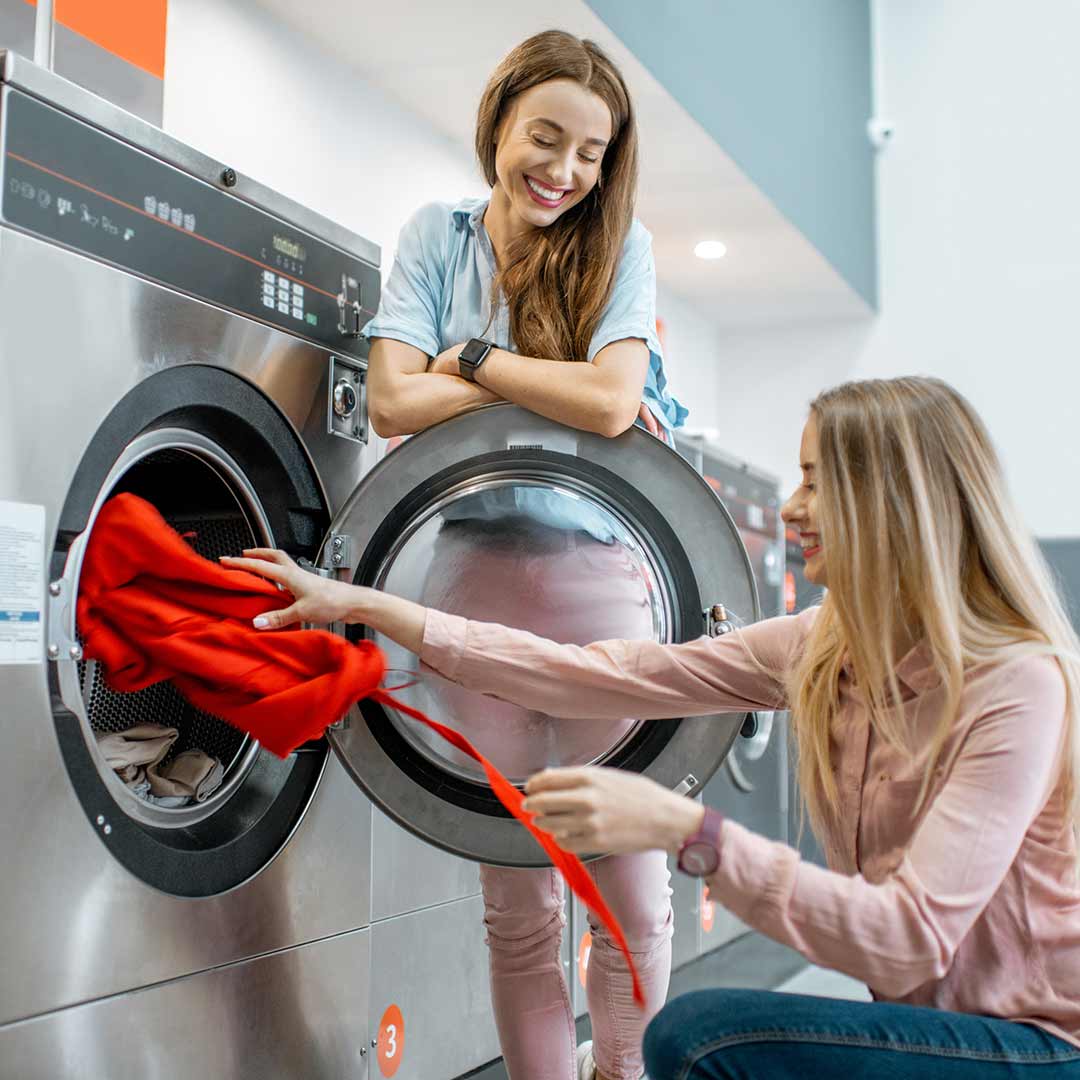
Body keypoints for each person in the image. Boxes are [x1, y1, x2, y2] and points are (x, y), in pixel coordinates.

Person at [227, 376, 1080, 1077]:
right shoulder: (827, 645)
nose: (792, 508)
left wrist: (685, 829)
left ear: (895, 501)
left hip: (1036, 1045)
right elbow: (596, 674)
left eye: (818, 481)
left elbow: (905, 941)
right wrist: (374, 606)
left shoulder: (1014, 684)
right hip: (925, 1027)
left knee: (700, 1040)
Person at [351, 29, 683, 1080]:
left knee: (631, 893)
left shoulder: (619, 246)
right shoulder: (435, 235)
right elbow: (392, 400)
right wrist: (547, 386)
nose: (564, 170)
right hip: (469, 582)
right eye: (545, 136)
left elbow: (614, 401)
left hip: (600, 584)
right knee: (519, 897)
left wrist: (476, 361)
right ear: (498, 119)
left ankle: (619, 1070)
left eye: (591, 153)